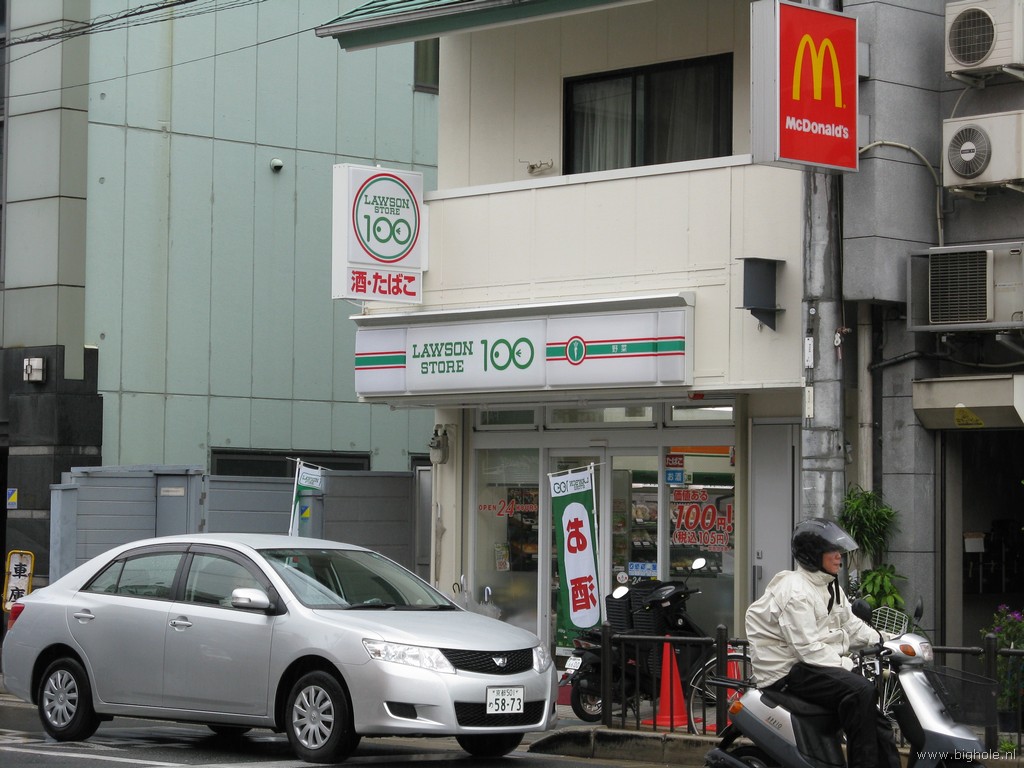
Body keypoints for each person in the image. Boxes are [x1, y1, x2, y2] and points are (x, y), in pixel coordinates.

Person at [745, 517, 900, 768]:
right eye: (832, 550)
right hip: (787, 671)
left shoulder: (829, 586)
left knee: (876, 718)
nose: (839, 556)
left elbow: (851, 625)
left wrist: (886, 640)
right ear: (813, 555)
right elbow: (807, 649)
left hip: (808, 666)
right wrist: (845, 664)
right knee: (861, 691)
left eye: (839, 550)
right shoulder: (795, 591)